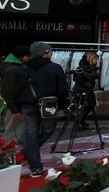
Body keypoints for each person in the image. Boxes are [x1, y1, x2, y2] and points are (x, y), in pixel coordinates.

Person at [12, 42, 68, 177]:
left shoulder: (22, 69)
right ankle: (26, 154)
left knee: (31, 135)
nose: (52, 54)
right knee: (48, 130)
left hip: (27, 105)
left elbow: (16, 91)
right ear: (45, 53)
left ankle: (35, 166)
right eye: (50, 51)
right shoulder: (55, 68)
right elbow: (62, 89)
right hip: (48, 105)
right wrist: (60, 105)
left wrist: (18, 106)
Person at [0, 44, 31, 147]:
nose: (29, 58)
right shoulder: (12, 70)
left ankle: (8, 154)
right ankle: (6, 156)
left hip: (14, 105)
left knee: (14, 131)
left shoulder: (12, 67)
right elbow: (7, 91)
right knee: (12, 132)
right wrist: (14, 109)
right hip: (13, 106)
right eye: (28, 56)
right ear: (21, 57)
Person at [73, 52, 100, 129]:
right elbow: (76, 78)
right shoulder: (82, 67)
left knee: (92, 104)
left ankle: (81, 120)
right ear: (90, 59)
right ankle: (77, 124)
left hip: (89, 89)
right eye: (95, 59)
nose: (96, 61)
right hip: (81, 89)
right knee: (80, 107)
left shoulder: (92, 68)